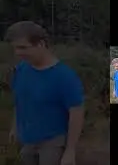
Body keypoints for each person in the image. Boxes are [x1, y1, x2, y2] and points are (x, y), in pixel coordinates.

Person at [5, 21, 84, 165]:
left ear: (41, 44)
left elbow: (76, 114)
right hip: (27, 140)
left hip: (53, 142)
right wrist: (15, 126)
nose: (18, 53)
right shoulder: (21, 69)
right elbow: (20, 100)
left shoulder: (64, 76)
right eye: (15, 48)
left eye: (23, 47)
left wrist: (70, 151)